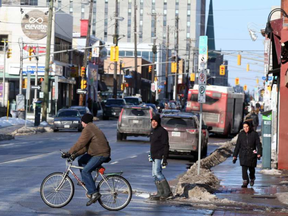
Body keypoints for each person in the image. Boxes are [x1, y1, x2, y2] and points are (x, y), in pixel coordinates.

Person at [61, 113, 111, 206]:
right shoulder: (91, 127)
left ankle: (94, 193)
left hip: (101, 154)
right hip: (98, 152)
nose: (81, 123)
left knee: (85, 171)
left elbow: (80, 143)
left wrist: (69, 152)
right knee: (81, 159)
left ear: (84, 122)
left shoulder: (88, 129)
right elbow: (84, 148)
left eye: (82, 121)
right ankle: (87, 181)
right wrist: (74, 155)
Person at [149, 113, 173, 201]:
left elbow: (166, 145)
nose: (153, 123)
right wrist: (150, 155)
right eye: (152, 121)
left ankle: (167, 192)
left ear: (158, 122)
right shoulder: (152, 131)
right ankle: (160, 192)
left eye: (155, 121)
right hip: (154, 155)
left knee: (157, 172)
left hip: (160, 155)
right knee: (154, 174)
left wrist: (165, 158)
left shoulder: (162, 132)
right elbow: (152, 144)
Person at [233, 121, 262, 188]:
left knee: (251, 168)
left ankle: (252, 178)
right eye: (244, 127)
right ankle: (245, 180)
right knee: (244, 168)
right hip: (243, 153)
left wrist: (259, 153)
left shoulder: (254, 134)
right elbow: (237, 145)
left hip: (252, 154)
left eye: (247, 127)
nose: (245, 128)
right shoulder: (241, 134)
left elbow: (258, 144)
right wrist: (235, 155)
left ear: (249, 127)